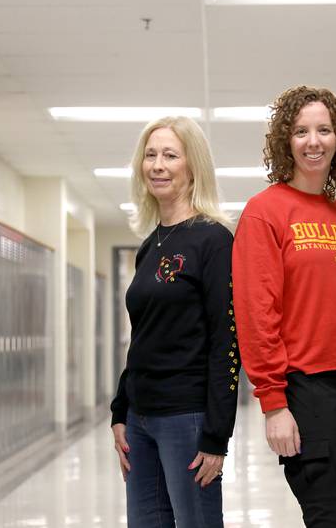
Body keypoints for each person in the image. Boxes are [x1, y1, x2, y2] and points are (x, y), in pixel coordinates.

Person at [231, 86, 336, 527]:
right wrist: (273, 403)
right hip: (309, 389)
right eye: (301, 130)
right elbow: (256, 314)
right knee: (332, 518)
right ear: (285, 141)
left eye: (324, 130)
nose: (313, 141)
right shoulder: (264, 212)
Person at [110, 116, 240, 528]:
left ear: (192, 166)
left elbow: (227, 341)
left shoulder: (213, 240)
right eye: (150, 156)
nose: (158, 165)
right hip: (140, 420)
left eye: (170, 155)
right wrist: (120, 408)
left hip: (188, 417)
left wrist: (217, 434)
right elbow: (144, 334)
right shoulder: (150, 245)